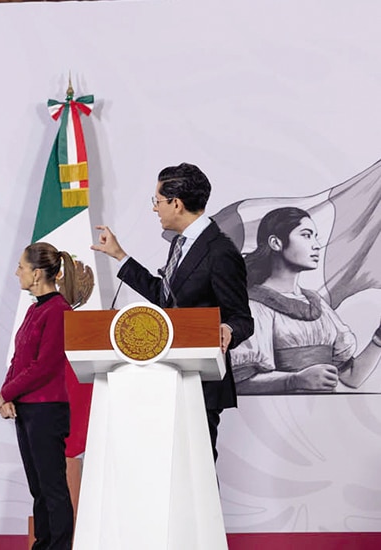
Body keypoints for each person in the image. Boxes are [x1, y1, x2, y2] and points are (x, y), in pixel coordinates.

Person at [91, 162, 253, 461]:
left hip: (200, 384)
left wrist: (228, 330)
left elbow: (242, 318)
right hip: (167, 376)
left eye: (158, 201)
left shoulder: (220, 251)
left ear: (176, 204)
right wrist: (120, 256)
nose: (155, 209)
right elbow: (166, 300)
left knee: (197, 470)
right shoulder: (181, 244)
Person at [230, 207, 381, 393]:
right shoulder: (253, 306)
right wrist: (294, 380)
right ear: (276, 243)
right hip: (274, 416)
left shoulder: (317, 304)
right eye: (306, 235)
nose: (316, 245)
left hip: (321, 415)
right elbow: (239, 383)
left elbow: (351, 377)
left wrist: (378, 339)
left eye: (315, 236)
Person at [0, 242, 78, 550]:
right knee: (38, 488)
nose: (17, 273)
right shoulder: (34, 308)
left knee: (52, 487)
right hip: (28, 409)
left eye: (21, 267)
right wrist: (8, 395)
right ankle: (43, 544)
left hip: (47, 410)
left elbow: (44, 366)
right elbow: (19, 359)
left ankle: (59, 546)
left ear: (37, 273)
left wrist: (5, 393)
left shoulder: (58, 310)